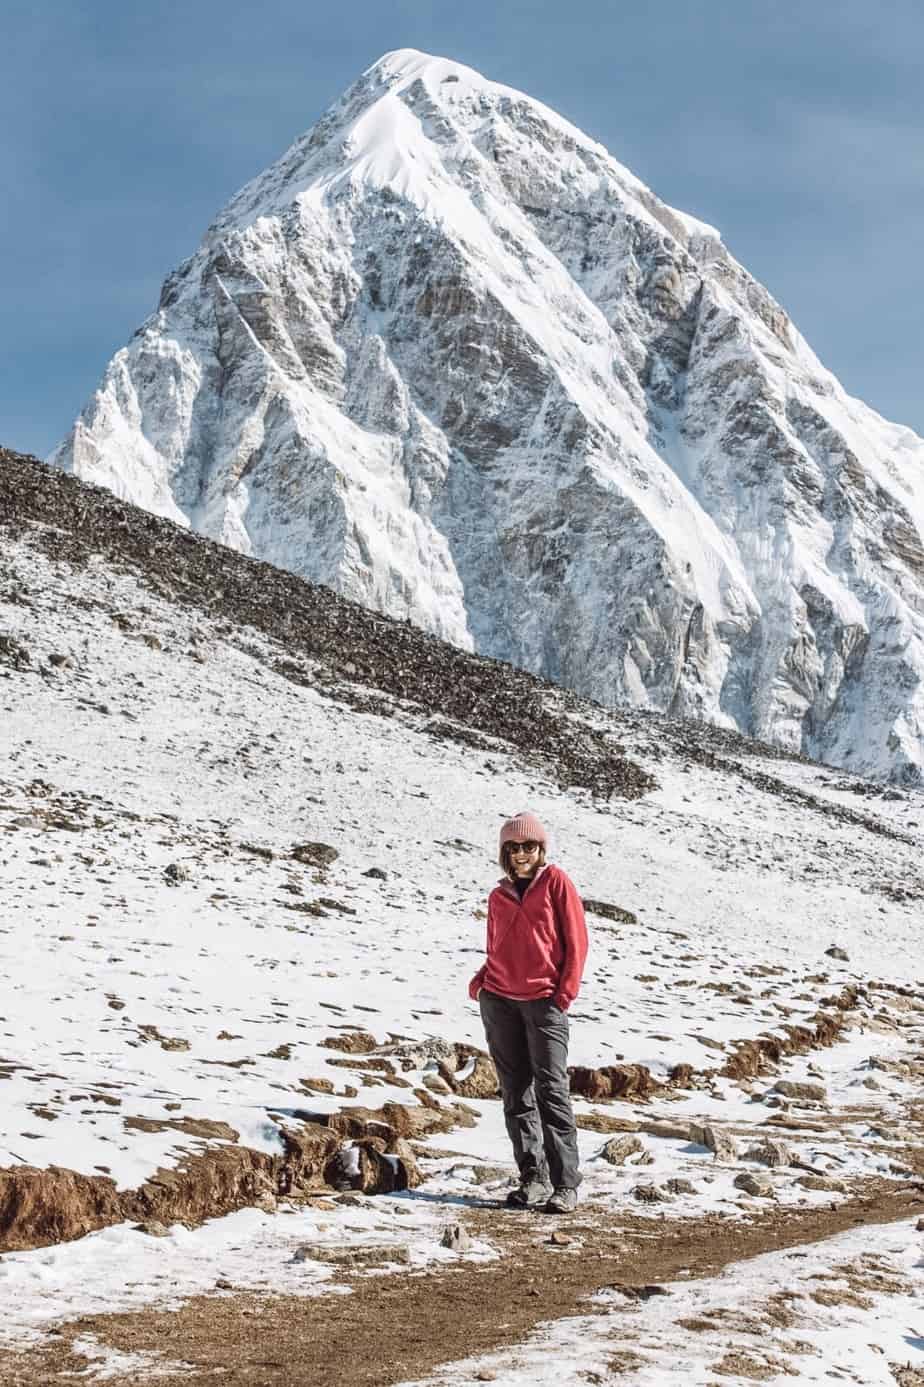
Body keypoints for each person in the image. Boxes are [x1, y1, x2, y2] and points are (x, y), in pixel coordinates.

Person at [468, 811, 589, 1214]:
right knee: (515, 1094)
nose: (521, 854)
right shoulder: (498, 895)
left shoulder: (556, 882)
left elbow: (576, 940)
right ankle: (532, 1179)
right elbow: (497, 944)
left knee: (551, 1091)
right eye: (514, 847)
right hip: (499, 999)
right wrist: (483, 979)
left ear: (541, 850)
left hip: (544, 1001)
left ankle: (565, 1184)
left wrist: (564, 993)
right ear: (505, 852)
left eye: (529, 847)